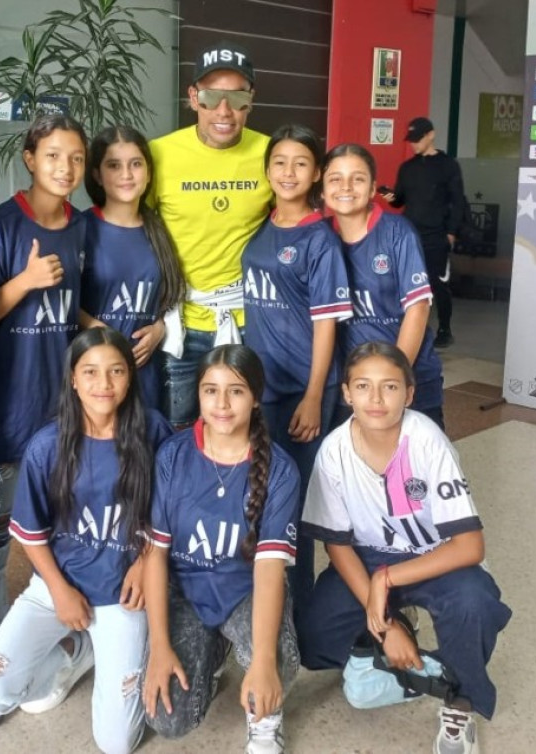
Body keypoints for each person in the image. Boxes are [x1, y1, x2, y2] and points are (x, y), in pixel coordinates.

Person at [297, 341, 511, 754]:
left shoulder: (427, 442)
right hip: (368, 557)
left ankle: (459, 697)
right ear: (345, 393)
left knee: (474, 603)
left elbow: (470, 546)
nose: (376, 399)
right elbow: (337, 546)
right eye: (362, 386)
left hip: (433, 556)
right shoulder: (334, 452)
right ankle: (398, 627)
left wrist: (387, 579)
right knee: (312, 637)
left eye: (390, 387)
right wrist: (388, 626)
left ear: (410, 394)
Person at [0, 327, 171, 754]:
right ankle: (73, 652)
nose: (104, 384)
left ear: (130, 376)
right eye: (91, 372)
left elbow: (169, 514)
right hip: (57, 587)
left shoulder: (153, 431)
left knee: (117, 744)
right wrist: (59, 592)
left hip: (124, 594)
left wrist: (143, 562)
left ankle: (110, 644)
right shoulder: (47, 446)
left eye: (116, 371)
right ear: (74, 379)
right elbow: (31, 534)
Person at [142, 345, 300, 754]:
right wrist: (160, 646)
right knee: (168, 719)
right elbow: (155, 554)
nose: (222, 404)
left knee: (278, 660)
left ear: (256, 398)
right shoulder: (173, 455)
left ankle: (266, 716)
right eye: (210, 391)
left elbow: (268, 570)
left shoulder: (280, 470)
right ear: (198, 395)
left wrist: (263, 661)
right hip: (186, 592)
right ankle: (212, 653)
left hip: (244, 590)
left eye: (236, 391)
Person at [0, 114, 88, 642]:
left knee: (63, 524)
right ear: (29, 159)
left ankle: (60, 621)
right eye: (52, 156)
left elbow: (77, 307)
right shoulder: (0, 227)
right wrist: (24, 281)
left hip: (63, 409)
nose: (64, 168)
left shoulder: (83, 227)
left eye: (75, 158)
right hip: (9, 408)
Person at [241, 124, 352, 610]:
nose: (288, 172)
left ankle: (300, 610)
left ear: (317, 174)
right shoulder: (262, 226)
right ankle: (265, 603)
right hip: (259, 389)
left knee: (297, 502)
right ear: (267, 170)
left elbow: (326, 326)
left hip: (303, 389)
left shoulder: (319, 241)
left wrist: (313, 395)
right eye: (280, 162)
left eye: (301, 163)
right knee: (262, 495)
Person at [148, 41, 272, 427]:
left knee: (243, 429)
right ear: (193, 97)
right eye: (212, 96)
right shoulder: (159, 155)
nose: (224, 111)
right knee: (176, 430)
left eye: (236, 98)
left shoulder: (272, 155)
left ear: (250, 99)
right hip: (179, 324)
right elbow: (134, 230)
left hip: (248, 322)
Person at [322, 143, 445, 428]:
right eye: (335, 179)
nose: (346, 187)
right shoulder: (321, 236)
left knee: (418, 468)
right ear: (323, 188)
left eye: (358, 178)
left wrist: (393, 380)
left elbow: (418, 309)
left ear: (374, 186)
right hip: (354, 384)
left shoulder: (397, 232)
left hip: (408, 376)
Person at [80, 125, 184, 412]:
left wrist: (160, 327)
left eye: (136, 164)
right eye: (114, 165)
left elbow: (166, 294)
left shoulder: (158, 228)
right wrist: (98, 330)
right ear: (97, 175)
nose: (126, 175)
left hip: (145, 373)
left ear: (148, 172)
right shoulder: (81, 228)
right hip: (96, 373)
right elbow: (61, 299)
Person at [384, 117, 466, 349]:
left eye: (418, 139)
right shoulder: (407, 168)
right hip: (409, 234)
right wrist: (390, 197)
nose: (414, 144)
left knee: (437, 283)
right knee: (402, 282)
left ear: (431, 135)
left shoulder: (448, 165)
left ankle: (444, 329)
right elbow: (399, 201)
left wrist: (451, 232)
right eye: (411, 141)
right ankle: (405, 328)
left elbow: (458, 200)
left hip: (436, 235)